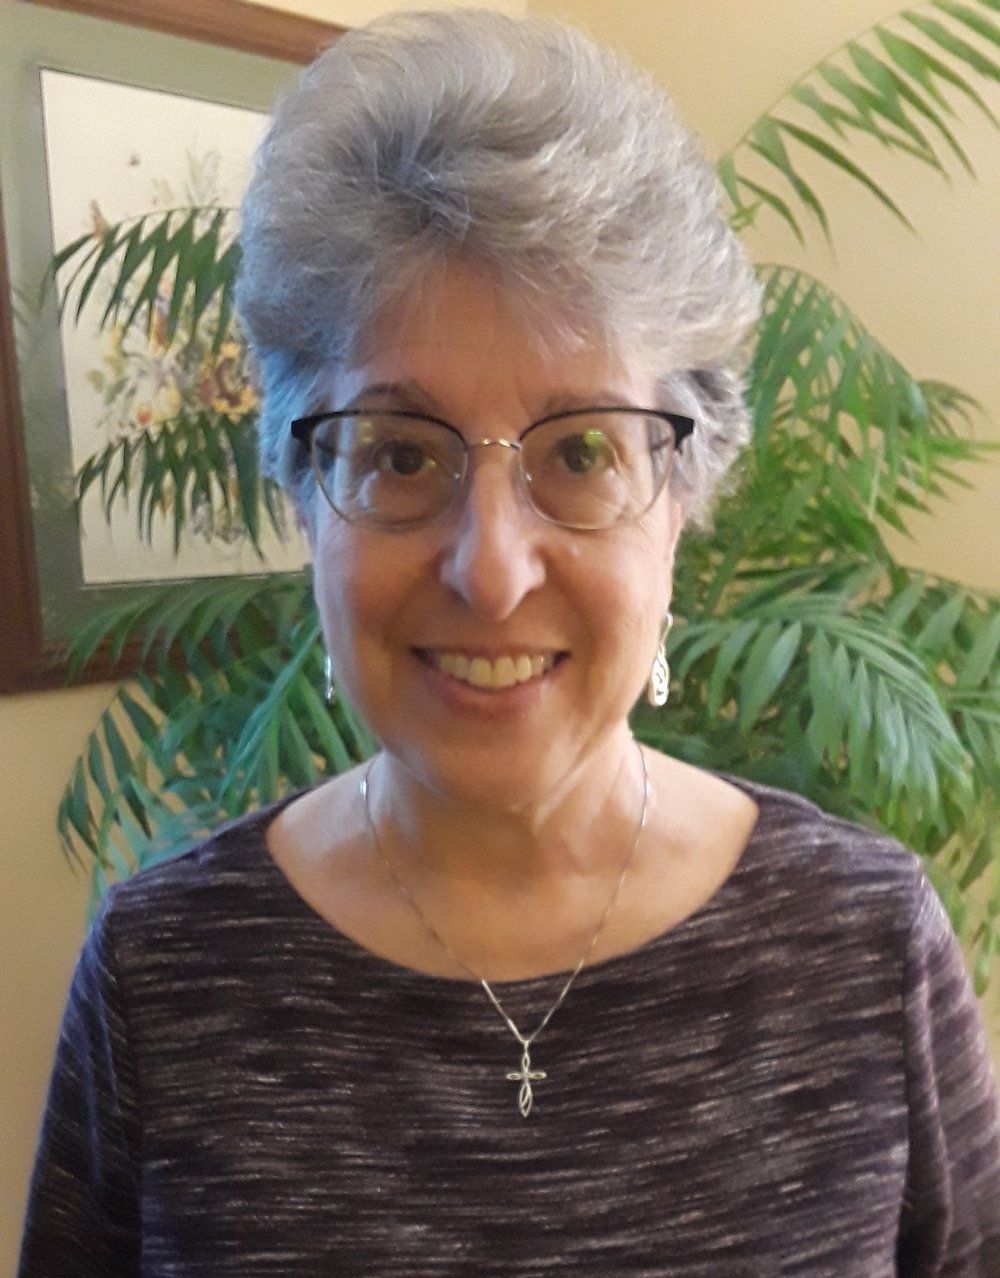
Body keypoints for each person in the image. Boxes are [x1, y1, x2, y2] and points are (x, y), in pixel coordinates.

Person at [18, 10, 1000, 1276]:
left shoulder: (864, 947)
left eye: (581, 450)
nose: (492, 571)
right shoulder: (167, 976)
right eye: (402, 454)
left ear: (685, 499)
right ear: (300, 496)